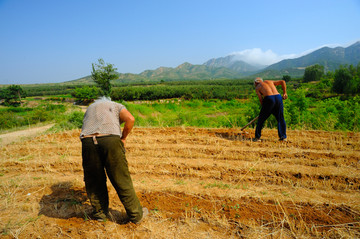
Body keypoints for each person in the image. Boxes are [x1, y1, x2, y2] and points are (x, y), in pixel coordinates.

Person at [80, 96, 148, 223]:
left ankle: (100, 215)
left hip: (87, 141)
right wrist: (123, 138)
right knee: (121, 178)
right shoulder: (115, 105)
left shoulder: (90, 107)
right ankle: (136, 215)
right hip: (110, 140)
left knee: (94, 180)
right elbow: (130, 119)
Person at [253, 77, 288, 141]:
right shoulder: (269, 81)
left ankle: (257, 137)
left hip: (269, 98)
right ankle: (283, 137)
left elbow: (261, 99)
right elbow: (283, 81)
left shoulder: (258, 88)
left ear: (256, 83)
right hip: (278, 97)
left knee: (261, 119)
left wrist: (264, 109)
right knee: (280, 118)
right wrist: (285, 93)